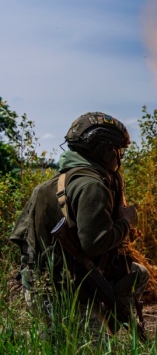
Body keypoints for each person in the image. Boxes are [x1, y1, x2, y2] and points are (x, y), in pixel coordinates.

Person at [10, 112, 149, 339]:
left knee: (138, 274)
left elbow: (21, 239)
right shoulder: (92, 185)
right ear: (104, 150)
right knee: (92, 348)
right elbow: (95, 243)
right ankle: (65, 332)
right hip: (60, 293)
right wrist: (126, 222)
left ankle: (77, 330)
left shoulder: (51, 184)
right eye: (118, 150)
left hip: (37, 288)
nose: (120, 157)